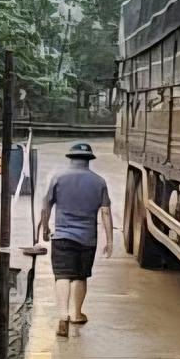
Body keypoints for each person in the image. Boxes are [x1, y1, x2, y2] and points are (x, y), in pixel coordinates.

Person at [34, 142, 114, 338]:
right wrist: (110, 240)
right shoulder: (100, 182)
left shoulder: (58, 178)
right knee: (80, 276)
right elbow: (105, 213)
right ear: (89, 160)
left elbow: (46, 206)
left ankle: (63, 316)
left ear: (70, 158)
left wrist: (45, 229)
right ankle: (77, 313)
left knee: (62, 275)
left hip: (62, 236)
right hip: (87, 238)